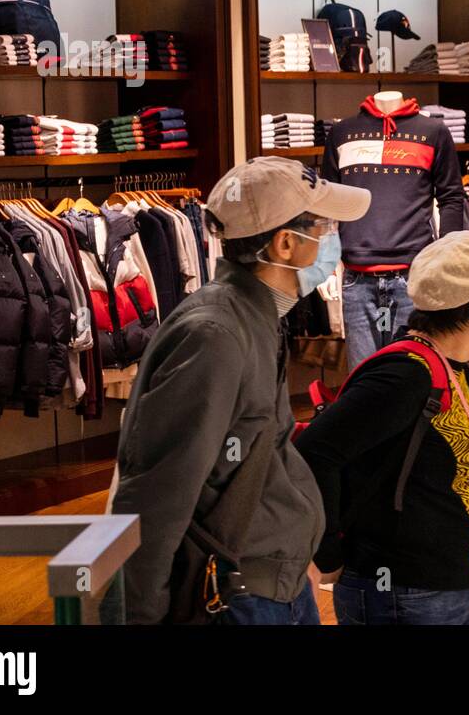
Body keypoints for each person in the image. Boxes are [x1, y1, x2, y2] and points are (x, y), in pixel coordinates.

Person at [110, 157, 370, 625]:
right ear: (286, 243)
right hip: (239, 595)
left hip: (272, 584)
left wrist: (294, 563)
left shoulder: (256, 317)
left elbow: (258, 459)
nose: (332, 236)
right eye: (323, 225)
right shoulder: (216, 334)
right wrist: (137, 617)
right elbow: (159, 488)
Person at [295, 230, 469, 625]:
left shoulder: (448, 367)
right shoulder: (404, 376)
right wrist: (328, 553)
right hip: (404, 593)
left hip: (437, 586)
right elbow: (315, 452)